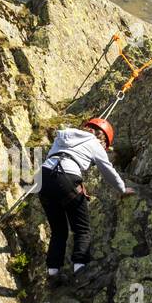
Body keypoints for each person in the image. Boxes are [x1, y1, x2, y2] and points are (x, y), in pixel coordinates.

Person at [37, 117, 134, 285]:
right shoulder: (95, 143)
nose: (105, 148)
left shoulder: (64, 135)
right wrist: (122, 189)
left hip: (43, 179)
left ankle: (53, 273)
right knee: (82, 229)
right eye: (106, 145)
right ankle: (80, 270)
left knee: (58, 230)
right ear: (102, 137)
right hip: (67, 178)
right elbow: (107, 170)